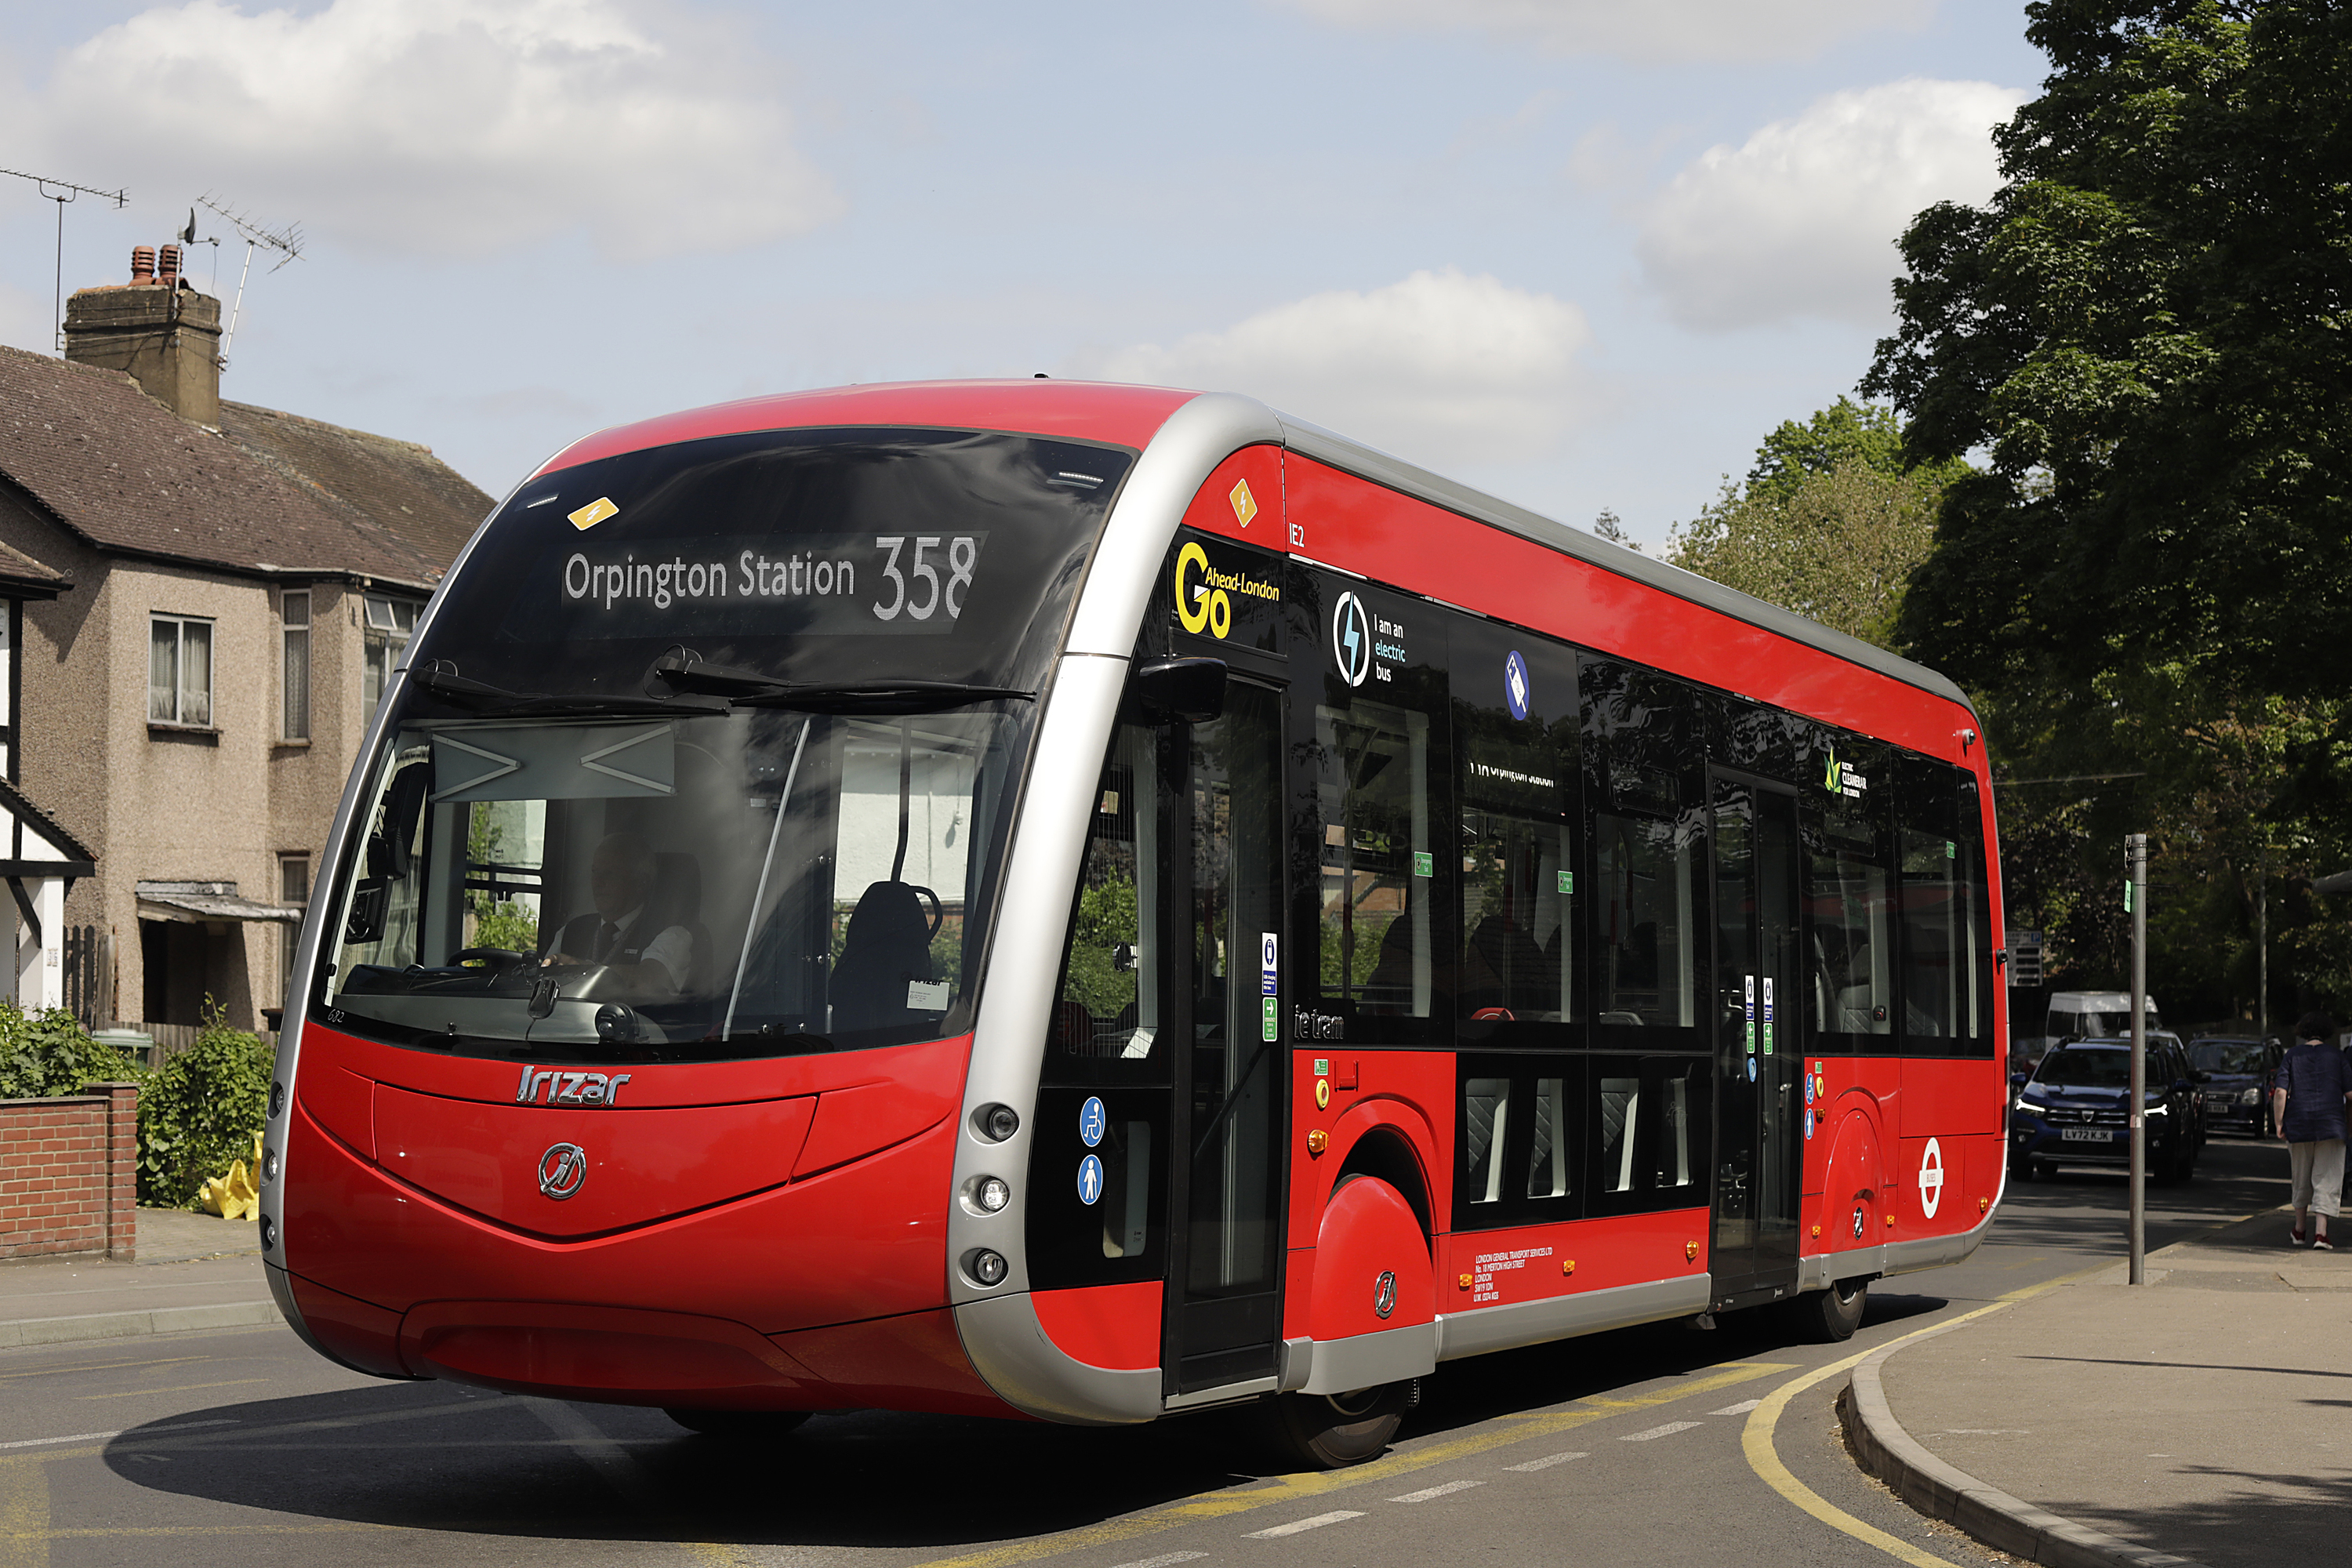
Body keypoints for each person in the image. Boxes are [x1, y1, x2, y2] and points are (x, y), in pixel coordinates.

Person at [543, 832, 693, 999]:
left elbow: (646, 981)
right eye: (595, 872)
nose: (597, 882)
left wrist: (581, 969)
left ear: (641, 882)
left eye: (609, 874)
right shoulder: (570, 930)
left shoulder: (674, 935)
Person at [2271, 1011, 2351, 1250]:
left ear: (2302, 1031)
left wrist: (2278, 1123)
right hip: (2332, 1125)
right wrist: (2349, 1124)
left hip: (2298, 1124)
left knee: (2301, 1176)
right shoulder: (2338, 1057)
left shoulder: (2292, 1056)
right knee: (2327, 1178)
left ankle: (2299, 1229)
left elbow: (2280, 1093)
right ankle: (2321, 1234)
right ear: (2328, 1031)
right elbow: (2350, 1095)